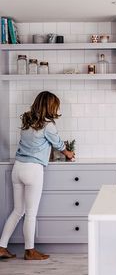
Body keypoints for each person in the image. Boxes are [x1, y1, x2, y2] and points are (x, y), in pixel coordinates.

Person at [0, 91, 74, 260]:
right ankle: (30, 251)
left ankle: (1, 247)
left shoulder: (27, 121)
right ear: (50, 106)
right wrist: (69, 153)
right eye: (55, 105)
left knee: (18, 211)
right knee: (31, 213)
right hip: (33, 170)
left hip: (17, 168)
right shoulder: (48, 126)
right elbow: (58, 144)